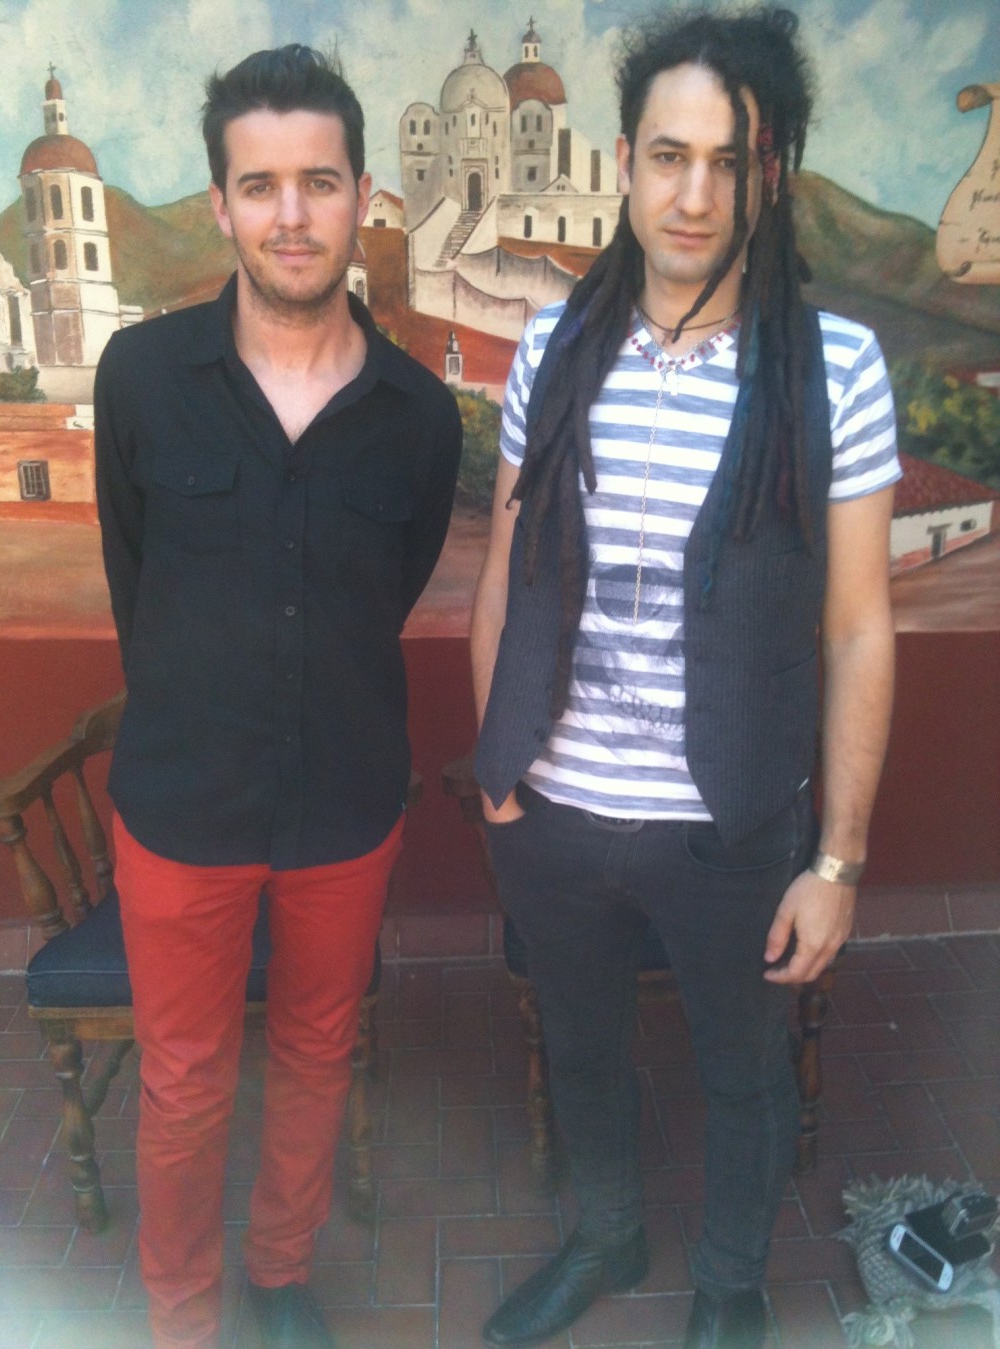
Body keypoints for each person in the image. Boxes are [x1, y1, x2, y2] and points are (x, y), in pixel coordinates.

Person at [470, 8, 899, 1347]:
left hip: (732, 818)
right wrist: (497, 775)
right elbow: (508, 570)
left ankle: (728, 1281)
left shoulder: (835, 368)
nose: (696, 194)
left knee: (744, 1069)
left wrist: (837, 860)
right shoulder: (555, 346)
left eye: (731, 161)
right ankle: (607, 1233)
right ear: (624, 163)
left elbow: (859, 627)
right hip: (556, 805)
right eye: (670, 156)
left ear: (770, 174)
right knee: (584, 1050)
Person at [95, 44, 461, 1349]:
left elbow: (388, 587)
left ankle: (281, 1270)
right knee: (186, 1083)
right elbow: (135, 578)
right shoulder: (141, 378)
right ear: (220, 204)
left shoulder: (420, 416)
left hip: (345, 805)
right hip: (182, 807)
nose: (292, 214)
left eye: (320, 181)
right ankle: (183, 1315)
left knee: (315, 1055)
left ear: (361, 192)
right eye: (261, 185)